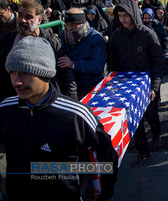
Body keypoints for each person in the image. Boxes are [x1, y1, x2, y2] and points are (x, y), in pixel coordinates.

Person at [0, 36, 118, 200]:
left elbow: (107, 157)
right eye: (12, 72)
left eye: (25, 72)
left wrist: (105, 192)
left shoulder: (76, 115)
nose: (17, 81)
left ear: (45, 73)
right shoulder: (6, 109)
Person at [110, 0, 165, 167]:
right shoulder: (116, 37)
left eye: (126, 15)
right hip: (128, 87)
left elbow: (158, 62)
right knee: (135, 121)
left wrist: (154, 86)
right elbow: (114, 64)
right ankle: (143, 151)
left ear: (134, 14)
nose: (123, 19)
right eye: (120, 16)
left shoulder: (149, 35)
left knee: (151, 115)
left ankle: (156, 134)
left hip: (148, 85)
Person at [0, 0, 77, 102]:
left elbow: (65, 71)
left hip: (45, 101)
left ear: (39, 20)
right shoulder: (7, 41)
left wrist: (72, 99)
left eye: (28, 17)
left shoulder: (51, 41)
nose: (22, 20)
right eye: (21, 15)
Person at [58, 8, 107, 99]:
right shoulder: (62, 36)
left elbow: (97, 65)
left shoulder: (95, 38)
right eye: (67, 24)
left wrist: (74, 64)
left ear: (83, 24)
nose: (69, 28)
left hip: (91, 85)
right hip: (69, 84)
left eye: (73, 25)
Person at [142, 8, 168, 76]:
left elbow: (165, 39)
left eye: (149, 18)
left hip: (158, 53)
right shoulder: (141, 27)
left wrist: (166, 52)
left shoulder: (158, 25)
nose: (147, 20)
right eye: (145, 18)